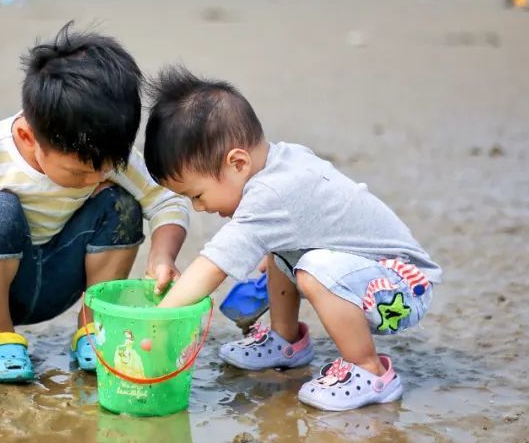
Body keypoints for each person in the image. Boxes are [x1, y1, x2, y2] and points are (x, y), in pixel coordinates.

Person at [0, 23, 189, 383]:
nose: (95, 179)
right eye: (79, 172)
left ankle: (93, 327)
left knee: (122, 203)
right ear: (27, 137)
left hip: (61, 279)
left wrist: (163, 257)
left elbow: (166, 200)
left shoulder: (107, 155)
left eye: (107, 167)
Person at [145, 66, 441, 411]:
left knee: (313, 268)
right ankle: (285, 340)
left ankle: (369, 372)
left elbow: (214, 266)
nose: (198, 208)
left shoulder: (272, 195)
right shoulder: (281, 161)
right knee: (281, 251)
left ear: (237, 163)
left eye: (197, 195)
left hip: (402, 288)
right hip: (374, 275)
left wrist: (157, 319)